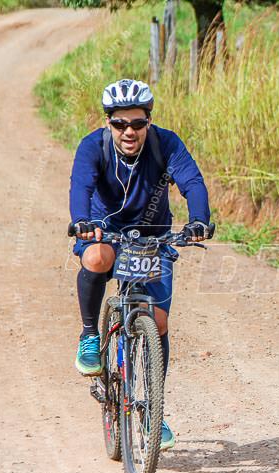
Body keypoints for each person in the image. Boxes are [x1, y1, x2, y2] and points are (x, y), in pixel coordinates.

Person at [69, 79, 211, 449]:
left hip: (154, 236)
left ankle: (153, 410)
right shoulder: (92, 147)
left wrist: (198, 220)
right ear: (108, 123)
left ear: (149, 121)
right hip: (106, 232)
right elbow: (80, 189)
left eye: (136, 123)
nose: (128, 131)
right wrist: (82, 222)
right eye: (119, 124)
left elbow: (192, 182)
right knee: (97, 257)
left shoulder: (166, 143)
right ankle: (89, 335)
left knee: (158, 321)